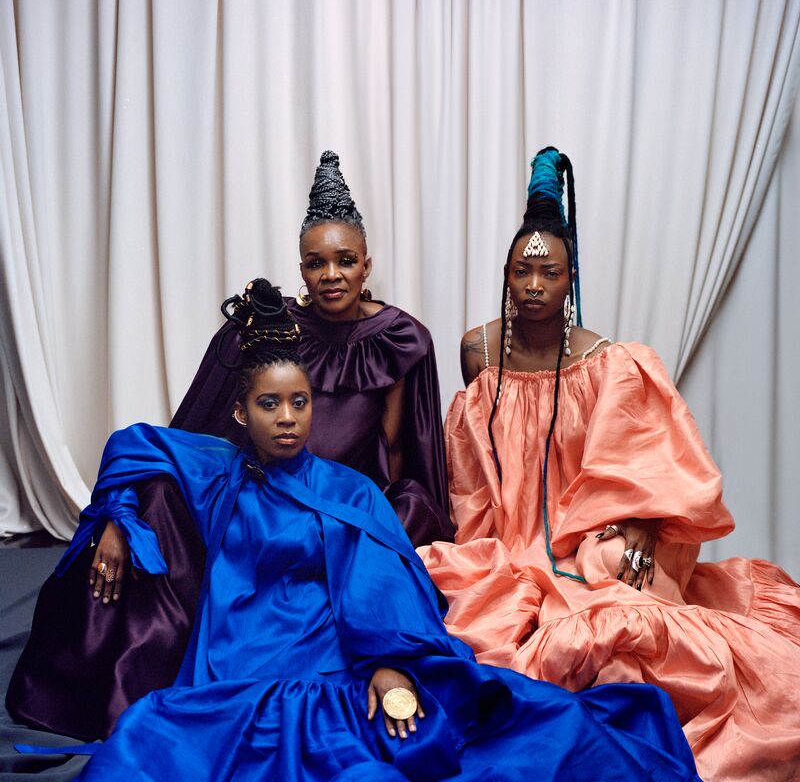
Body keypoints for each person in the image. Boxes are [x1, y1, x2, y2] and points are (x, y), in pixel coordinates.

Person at [12, 282, 700, 782]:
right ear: (242, 413)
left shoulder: (350, 491)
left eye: (300, 402)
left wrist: (390, 667)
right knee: (142, 748)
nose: (288, 418)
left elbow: (384, 583)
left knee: (385, 758)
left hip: (334, 664)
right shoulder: (218, 469)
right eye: (269, 404)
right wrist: (116, 520)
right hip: (231, 670)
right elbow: (134, 444)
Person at [418, 147, 800, 782]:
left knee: (619, 601)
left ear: (572, 280)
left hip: (586, 536)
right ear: (506, 274)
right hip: (508, 540)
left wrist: (639, 527)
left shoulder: (612, 362)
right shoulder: (477, 351)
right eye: (521, 271)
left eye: (551, 273)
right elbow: (476, 470)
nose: (534, 286)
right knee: (469, 610)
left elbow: (643, 463)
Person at [173, 150, 453, 547]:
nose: (332, 275)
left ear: (366, 266)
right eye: (316, 263)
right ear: (302, 269)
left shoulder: (398, 337)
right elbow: (217, 421)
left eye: (346, 260)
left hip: (346, 495)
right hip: (272, 487)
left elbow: (393, 447)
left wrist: (377, 514)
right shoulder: (271, 322)